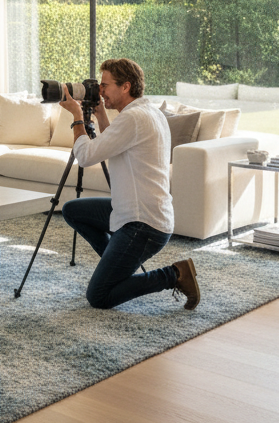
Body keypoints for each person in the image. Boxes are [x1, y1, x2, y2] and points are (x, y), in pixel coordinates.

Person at [58, 58, 201, 310]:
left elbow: (86, 156)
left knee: (99, 296)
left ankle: (175, 274)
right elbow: (115, 143)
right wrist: (101, 114)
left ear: (126, 86)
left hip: (143, 224)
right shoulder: (148, 112)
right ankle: (118, 263)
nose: (100, 91)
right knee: (72, 210)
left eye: (105, 85)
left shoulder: (133, 118)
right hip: (138, 211)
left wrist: (78, 117)